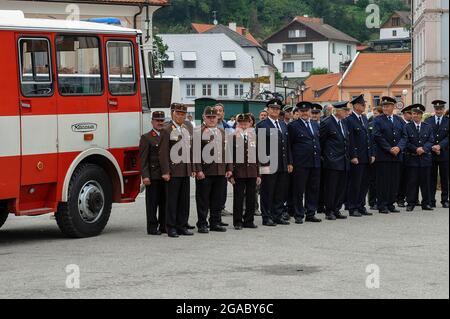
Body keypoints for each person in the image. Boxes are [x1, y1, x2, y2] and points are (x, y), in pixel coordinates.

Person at [194, 106, 233, 233]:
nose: (211, 119)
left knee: (218, 199)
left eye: (213, 117)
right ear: (204, 118)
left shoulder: (222, 132)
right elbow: (195, 153)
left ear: (218, 118)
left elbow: (227, 152)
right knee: (203, 200)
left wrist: (229, 168)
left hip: (220, 171)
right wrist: (198, 170)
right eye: (209, 117)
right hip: (205, 171)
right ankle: (202, 224)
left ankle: (215, 222)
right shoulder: (198, 132)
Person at [159, 103, 195, 238]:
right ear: (173, 113)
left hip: (185, 169)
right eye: (178, 113)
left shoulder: (186, 128)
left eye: (183, 114)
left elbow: (189, 150)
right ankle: (171, 227)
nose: (180, 116)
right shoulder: (167, 129)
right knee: (172, 200)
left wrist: (191, 168)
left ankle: (182, 225)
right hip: (173, 171)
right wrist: (165, 171)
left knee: (184, 200)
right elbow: (163, 153)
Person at [256, 99, 293, 227]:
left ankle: (277, 215)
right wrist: (262, 164)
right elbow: (260, 147)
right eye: (272, 108)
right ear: (268, 110)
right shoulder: (262, 125)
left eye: (277, 109)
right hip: (268, 164)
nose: (275, 111)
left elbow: (287, 145)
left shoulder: (283, 124)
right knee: (267, 191)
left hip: (282, 163)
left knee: (280, 191)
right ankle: (266, 217)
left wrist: (289, 162)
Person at [288, 101, 322, 224]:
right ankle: (298, 214)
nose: (304, 113)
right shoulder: (293, 126)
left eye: (306, 111)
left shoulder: (315, 124)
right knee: (299, 189)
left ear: (310, 112)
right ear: (298, 112)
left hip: (315, 161)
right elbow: (289, 146)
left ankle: (311, 213)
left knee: (313, 189)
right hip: (300, 163)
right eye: (301, 111)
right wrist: (290, 162)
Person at [372, 96, 407, 214]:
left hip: (396, 156)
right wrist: (389, 148)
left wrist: (399, 147)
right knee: (383, 182)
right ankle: (382, 204)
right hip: (383, 156)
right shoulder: (378, 120)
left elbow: (404, 136)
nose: (385, 108)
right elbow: (377, 136)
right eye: (384, 106)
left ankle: (391, 203)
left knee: (394, 181)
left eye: (387, 106)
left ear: (393, 107)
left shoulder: (399, 120)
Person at [320, 101, 351, 220]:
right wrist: (326, 157)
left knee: (340, 187)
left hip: (343, 160)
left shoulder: (343, 123)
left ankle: (337, 208)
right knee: (331, 187)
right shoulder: (327, 122)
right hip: (332, 160)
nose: (346, 113)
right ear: (337, 111)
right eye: (345, 110)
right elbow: (321, 141)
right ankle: (329, 210)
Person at [230, 113, 261, 230]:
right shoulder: (233, 137)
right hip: (238, 172)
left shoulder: (254, 136)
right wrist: (230, 173)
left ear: (250, 124)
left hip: (252, 171)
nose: (243, 126)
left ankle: (249, 220)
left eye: (246, 123)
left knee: (251, 197)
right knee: (238, 197)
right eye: (241, 123)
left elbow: (258, 156)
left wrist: (258, 174)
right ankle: (237, 221)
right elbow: (230, 157)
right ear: (238, 124)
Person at [345, 94, 374, 217]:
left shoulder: (363, 118)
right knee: (355, 184)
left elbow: (368, 138)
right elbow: (349, 140)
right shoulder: (349, 120)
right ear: (356, 105)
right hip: (357, 157)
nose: (364, 106)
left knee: (364, 183)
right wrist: (353, 156)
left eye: (364, 104)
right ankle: (353, 207)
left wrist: (372, 154)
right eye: (362, 104)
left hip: (366, 157)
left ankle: (361, 205)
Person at [139, 111, 167, 235]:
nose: (160, 123)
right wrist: (145, 176)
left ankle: (163, 226)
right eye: (157, 121)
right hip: (153, 175)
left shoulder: (166, 135)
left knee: (164, 202)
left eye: (162, 120)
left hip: (165, 175)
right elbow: (143, 159)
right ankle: (152, 227)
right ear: (152, 122)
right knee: (152, 203)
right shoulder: (146, 137)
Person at [403, 104, 434, 211]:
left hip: (425, 159)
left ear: (421, 115)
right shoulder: (407, 127)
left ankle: (426, 203)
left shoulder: (427, 126)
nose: (414, 115)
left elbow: (431, 140)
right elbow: (405, 141)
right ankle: (411, 203)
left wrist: (424, 149)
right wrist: (416, 149)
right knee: (412, 182)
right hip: (412, 158)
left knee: (425, 182)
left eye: (416, 114)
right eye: (413, 114)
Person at [425, 100, 449, 208]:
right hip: (431, 153)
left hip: (444, 153)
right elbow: (426, 135)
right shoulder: (428, 121)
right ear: (434, 109)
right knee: (431, 177)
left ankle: (445, 200)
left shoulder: (448, 121)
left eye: (440, 109)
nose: (438, 111)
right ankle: (431, 200)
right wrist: (433, 146)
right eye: (437, 109)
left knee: (445, 177)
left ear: (444, 109)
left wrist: (440, 146)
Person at [214, 103, 233, 217]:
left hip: (224, 161)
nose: (218, 112)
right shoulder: (209, 125)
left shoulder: (228, 127)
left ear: (223, 113)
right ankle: (213, 209)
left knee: (223, 186)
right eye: (216, 110)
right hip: (211, 161)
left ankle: (221, 207)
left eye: (220, 110)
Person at [397, 105, 414, 207]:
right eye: (409, 113)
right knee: (401, 178)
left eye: (412, 113)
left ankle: (411, 198)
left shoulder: (413, 124)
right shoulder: (400, 123)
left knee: (410, 178)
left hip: (411, 155)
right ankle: (400, 198)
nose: (411, 115)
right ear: (404, 114)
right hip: (402, 154)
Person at [368, 106, 383, 210]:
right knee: (372, 180)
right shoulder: (369, 125)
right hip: (373, 155)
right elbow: (370, 141)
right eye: (374, 113)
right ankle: (372, 202)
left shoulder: (384, 124)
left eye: (376, 113)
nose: (374, 115)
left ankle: (380, 201)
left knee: (381, 181)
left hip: (383, 155)